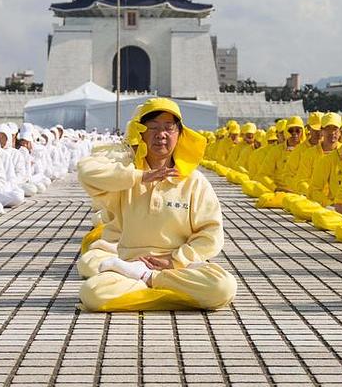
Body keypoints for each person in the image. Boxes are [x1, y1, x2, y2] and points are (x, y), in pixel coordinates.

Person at [76, 98, 237, 312]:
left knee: (223, 287)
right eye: (152, 128)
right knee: (93, 294)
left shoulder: (194, 182)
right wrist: (140, 177)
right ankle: (172, 292)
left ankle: (148, 281)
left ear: (179, 135)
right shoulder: (127, 176)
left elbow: (210, 234)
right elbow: (87, 172)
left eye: (168, 129)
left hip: (179, 267)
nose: (161, 135)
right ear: (140, 134)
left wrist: (174, 260)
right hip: (132, 264)